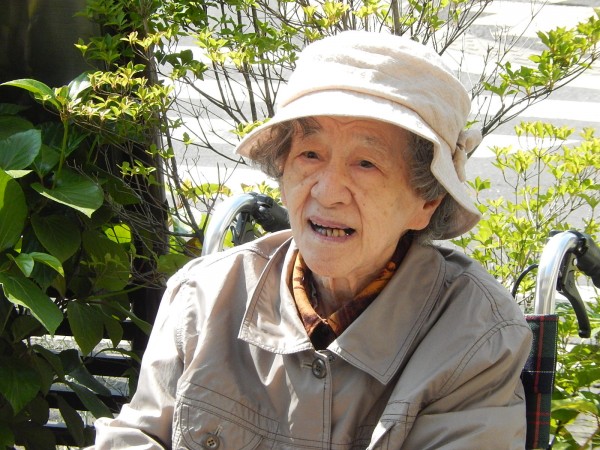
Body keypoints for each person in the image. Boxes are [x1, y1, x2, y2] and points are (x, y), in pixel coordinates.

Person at [91, 31, 532, 449]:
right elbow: (139, 435)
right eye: (310, 155)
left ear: (427, 201)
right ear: (283, 172)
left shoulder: (476, 336)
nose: (327, 191)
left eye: (366, 163)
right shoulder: (203, 297)